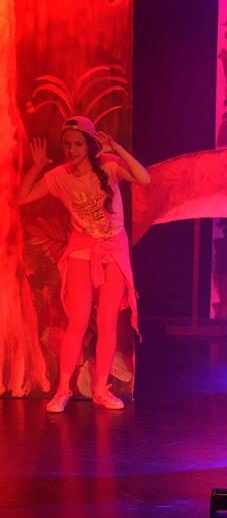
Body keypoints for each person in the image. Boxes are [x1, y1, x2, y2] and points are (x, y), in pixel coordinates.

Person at [15, 116, 150, 412]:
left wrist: (116, 148)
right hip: (81, 250)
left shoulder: (109, 165)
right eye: (67, 144)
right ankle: (63, 390)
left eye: (78, 144)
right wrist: (37, 167)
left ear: (88, 145)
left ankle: (100, 390)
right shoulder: (59, 176)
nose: (72, 150)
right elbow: (21, 199)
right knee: (77, 320)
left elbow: (144, 178)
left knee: (107, 322)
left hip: (113, 250)